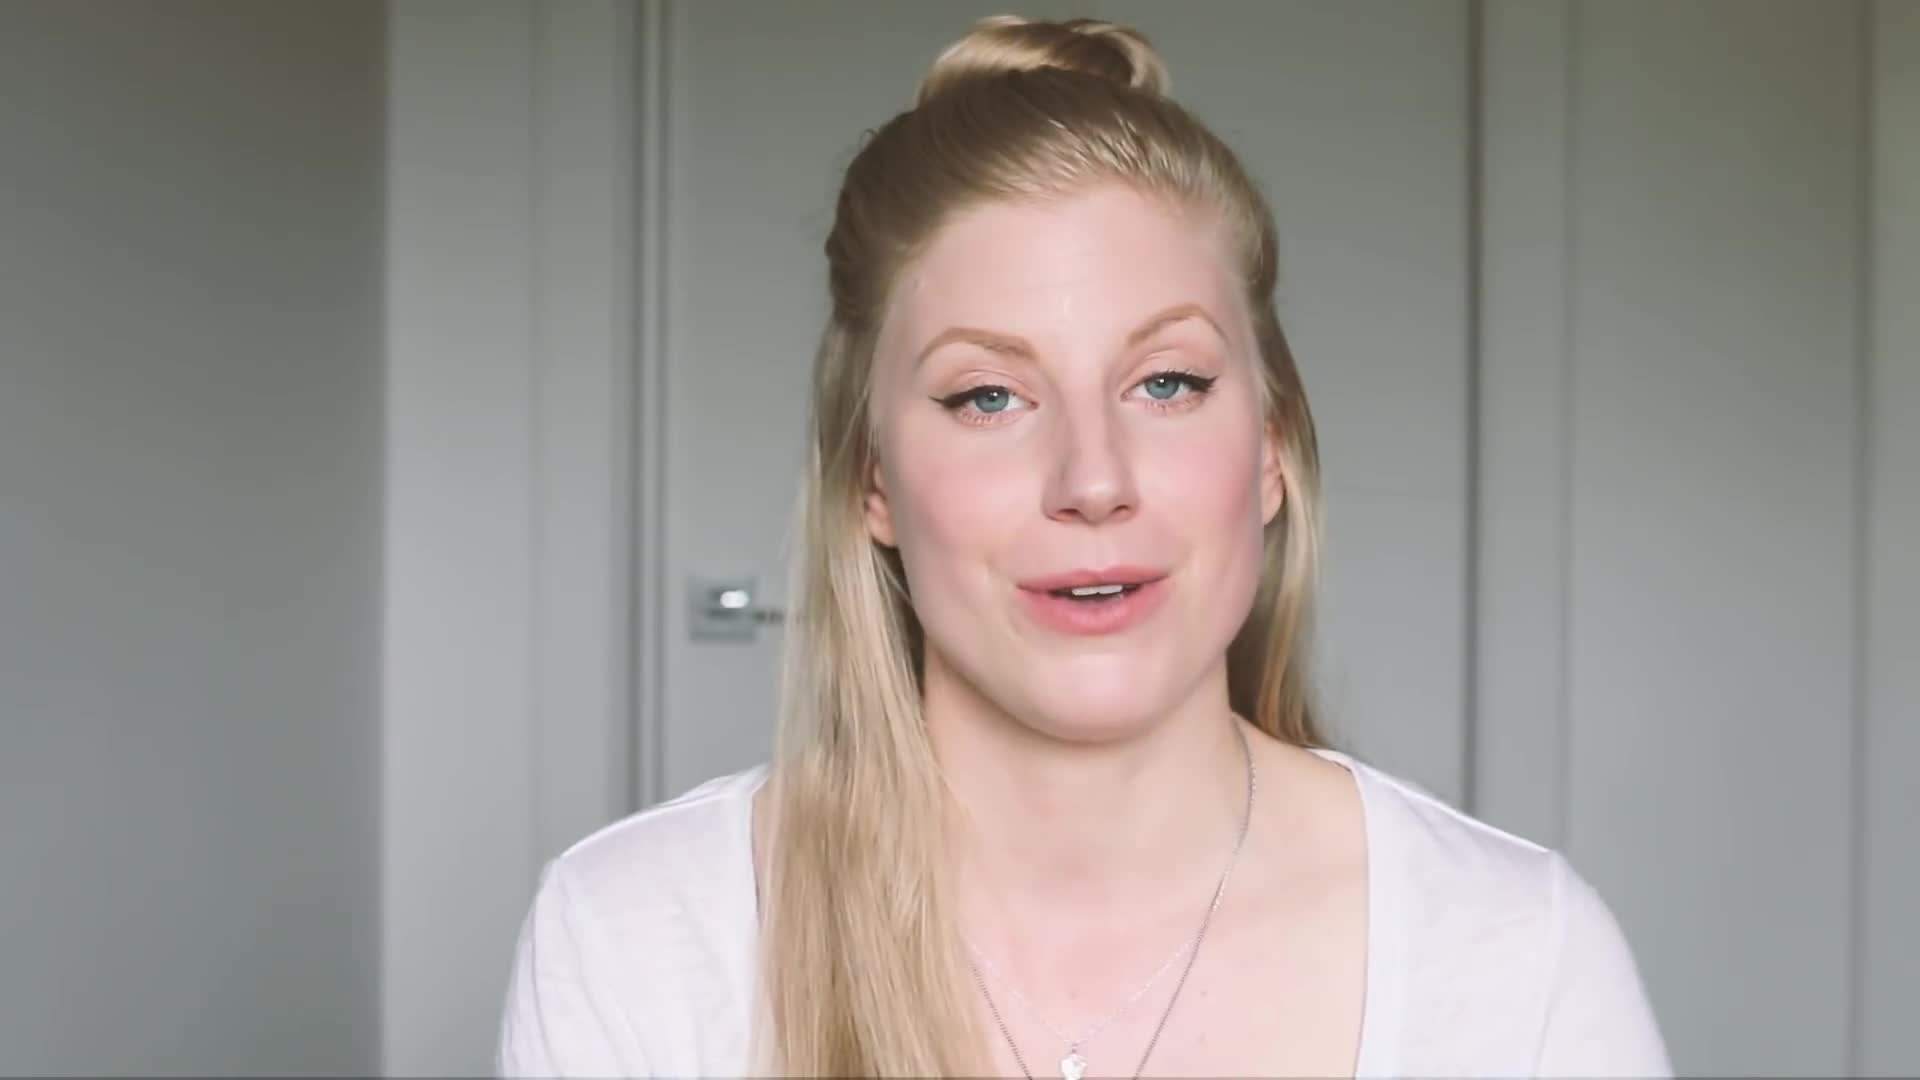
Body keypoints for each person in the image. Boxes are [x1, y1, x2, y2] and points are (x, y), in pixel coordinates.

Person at [496, 14, 1671, 1078]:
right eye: (988, 398)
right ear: (875, 484)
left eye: (1166, 382)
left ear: (1270, 451)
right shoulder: (633, 938)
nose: (1092, 481)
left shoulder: (1520, 957)